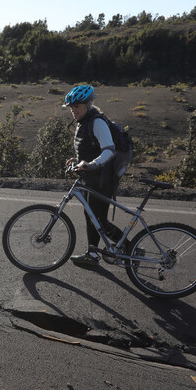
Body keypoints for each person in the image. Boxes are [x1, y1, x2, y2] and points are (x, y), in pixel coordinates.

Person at [62, 84, 122, 266]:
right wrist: (78, 160)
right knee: (92, 216)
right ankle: (93, 254)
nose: (73, 110)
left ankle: (130, 247)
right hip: (92, 178)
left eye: (77, 106)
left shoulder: (97, 122)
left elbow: (109, 150)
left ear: (87, 105)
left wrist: (90, 164)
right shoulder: (84, 122)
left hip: (103, 179)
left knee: (99, 220)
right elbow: (91, 149)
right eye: (71, 107)